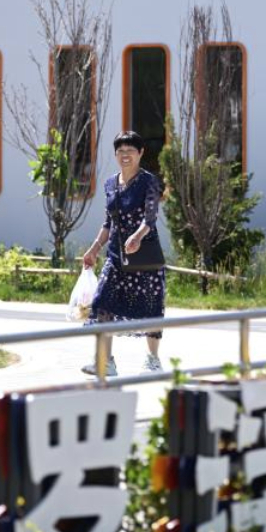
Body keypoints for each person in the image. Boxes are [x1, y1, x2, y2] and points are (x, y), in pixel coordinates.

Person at [80, 131, 166, 376]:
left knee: (151, 306)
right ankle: (106, 361)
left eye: (130, 151)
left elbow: (150, 217)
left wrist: (137, 236)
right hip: (116, 254)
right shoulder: (109, 183)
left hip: (144, 254)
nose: (125, 155)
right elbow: (108, 222)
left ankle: (153, 360)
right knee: (102, 301)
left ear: (140, 153)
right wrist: (94, 248)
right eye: (120, 151)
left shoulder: (149, 181)